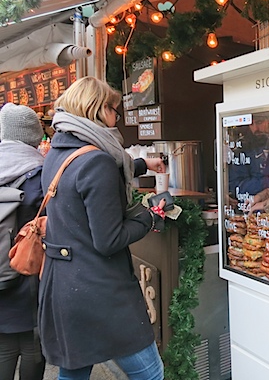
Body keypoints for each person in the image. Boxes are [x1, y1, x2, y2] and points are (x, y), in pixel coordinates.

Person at [39, 77, 167, 379]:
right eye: (114, 110)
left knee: (73, 374)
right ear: (97, 110)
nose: (117, 118)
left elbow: (89, 174)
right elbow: (109, 240)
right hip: (101, 293)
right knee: (151, 374)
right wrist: (150, 215)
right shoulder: (97, 163)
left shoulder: (58, 152)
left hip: (64, 288)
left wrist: (142, 164)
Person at [0, 103, 45, 380]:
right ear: (35, 136)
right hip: (26, 269)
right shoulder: (40, 173)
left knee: (3, 344)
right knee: (31, 344)